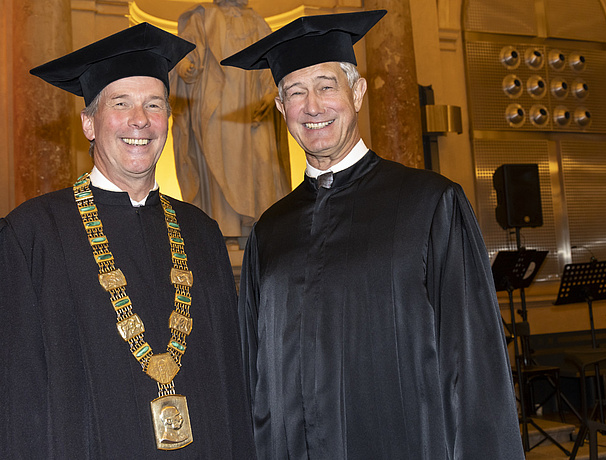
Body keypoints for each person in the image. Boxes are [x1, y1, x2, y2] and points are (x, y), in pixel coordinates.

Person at [221, 10, 525, 459]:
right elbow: (252, 374)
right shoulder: (270, 230)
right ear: (282, 109)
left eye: (327, 86)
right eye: (296, 93)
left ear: (357, 93)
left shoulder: (429, 205)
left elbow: (474, 367)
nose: (313, 107)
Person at [0, 23, 255, 458]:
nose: (140, 120)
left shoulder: (202, 235)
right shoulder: (30, 237)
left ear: (168, 120)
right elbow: (3, 406)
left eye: (154, 105)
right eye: (121, 103)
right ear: (89, 123)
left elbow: (231, 387)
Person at [172, 0, 291, 246]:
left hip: (253, 111)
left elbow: (274, 64)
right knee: (218, 161)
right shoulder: (202, 16)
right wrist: (185, 67)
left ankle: (255, 229)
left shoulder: (257, 20)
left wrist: (271, 93)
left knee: (259, 164)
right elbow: (183, 53)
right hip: (216, 108)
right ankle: (224, 229)